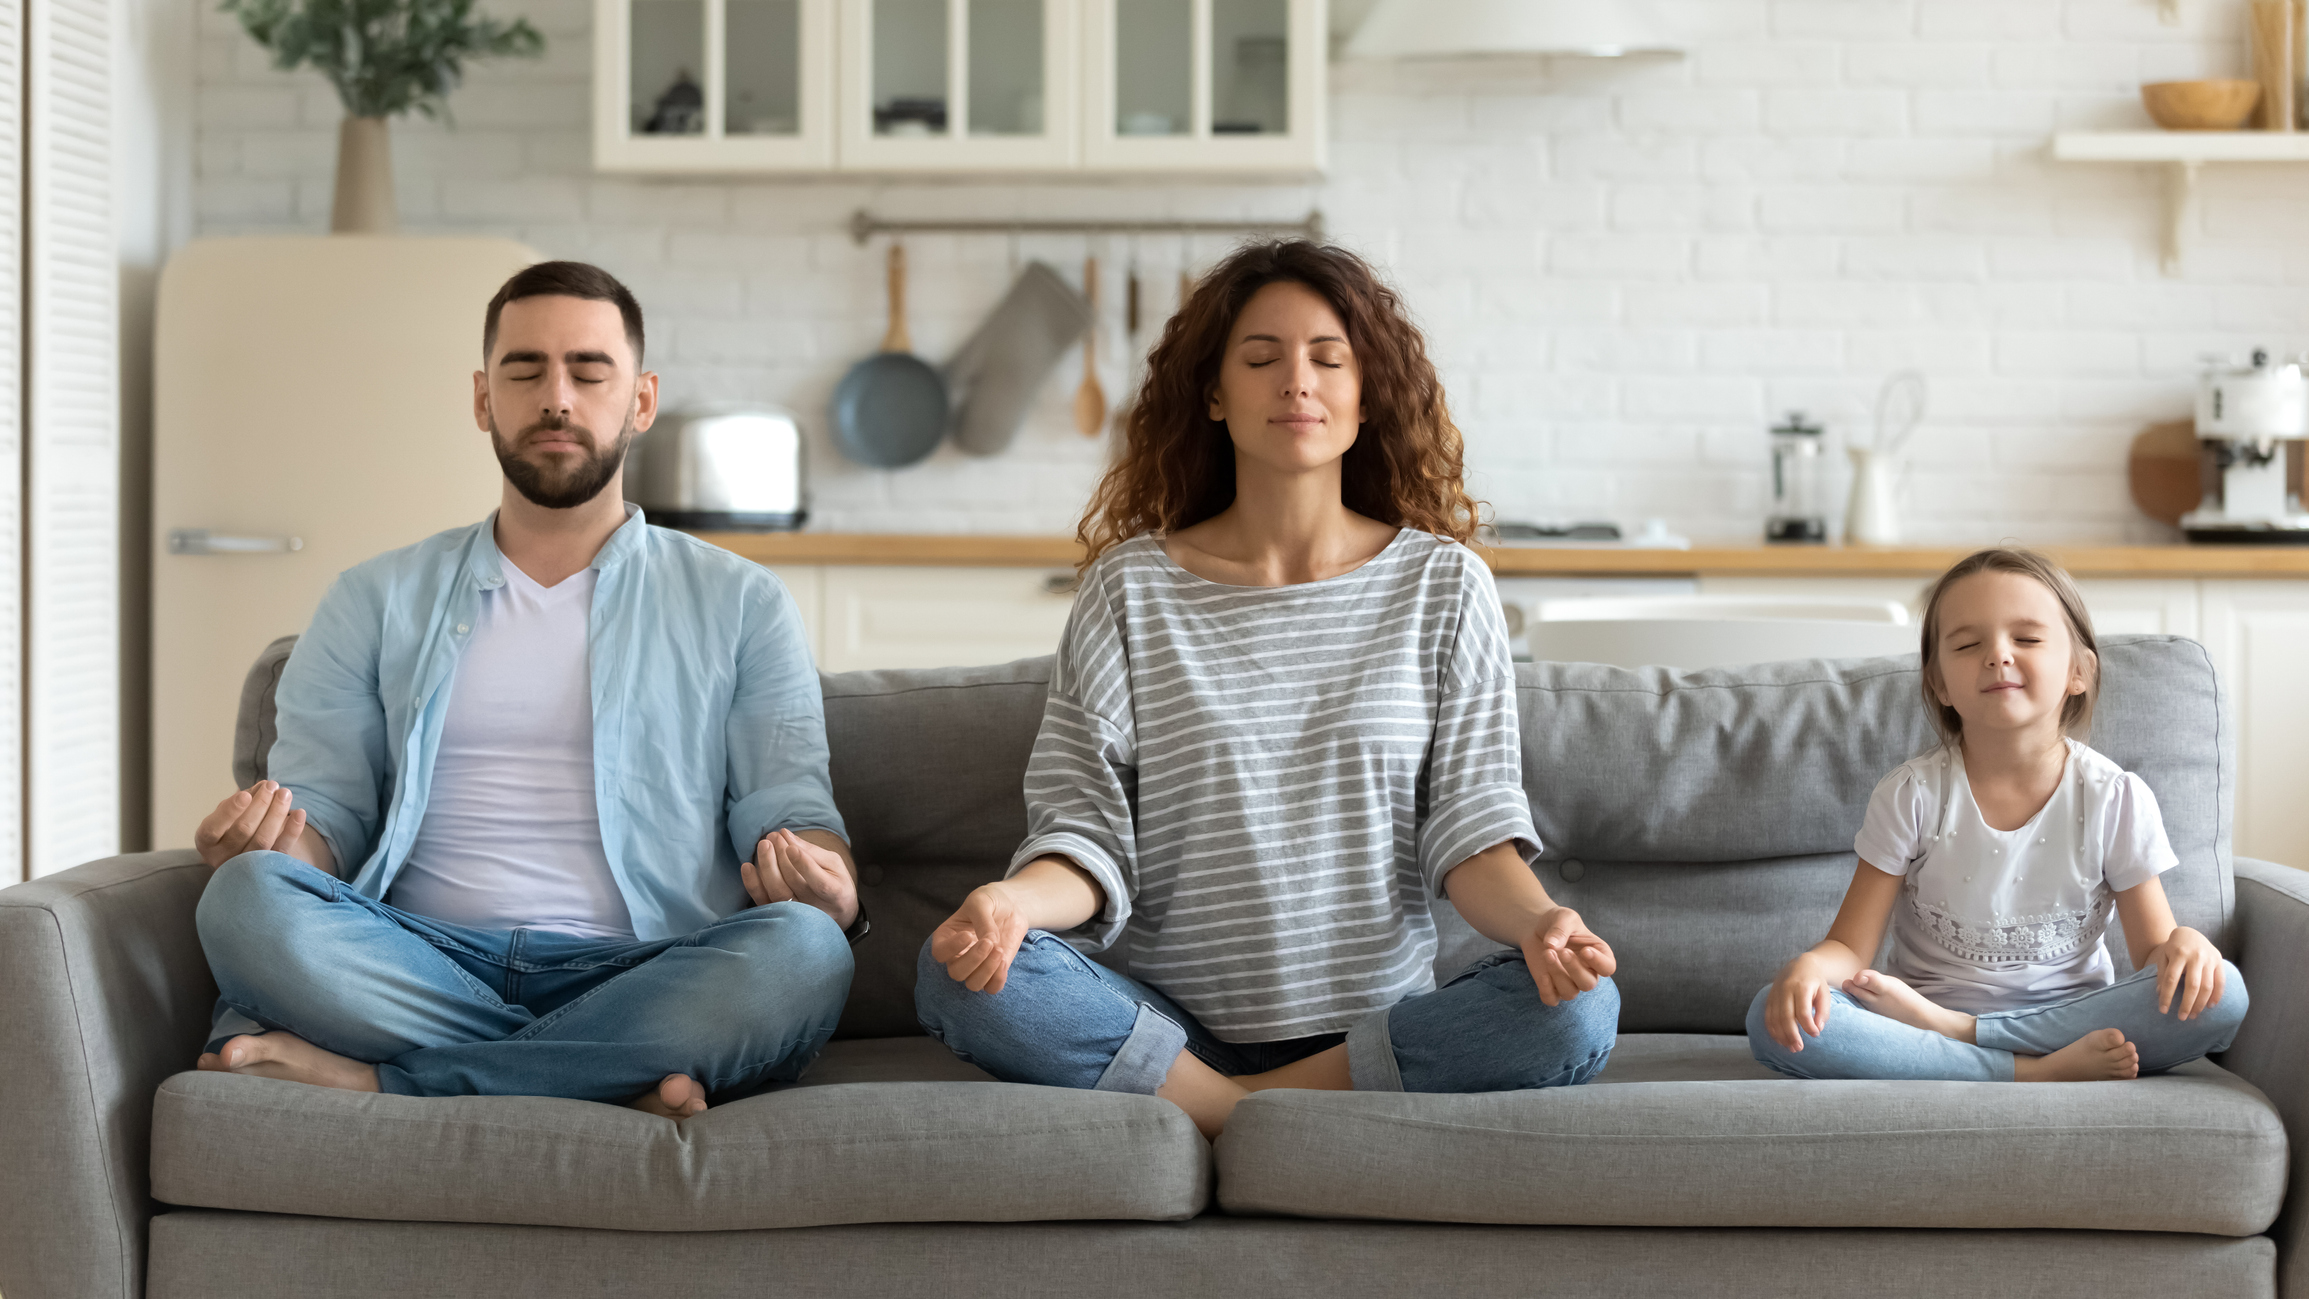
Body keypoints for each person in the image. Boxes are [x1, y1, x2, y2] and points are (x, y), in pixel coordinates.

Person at [914, 240, 1620, 1140]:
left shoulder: (1443, 585)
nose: (1297, 381)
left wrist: (1544, 922)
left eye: (1329, 359)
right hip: (1166, 1022)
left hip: (1372, 1026)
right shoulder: (1130, 587)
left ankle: (1226, 1115)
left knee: (1580, 1007)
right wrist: (1011, 904)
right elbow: (1084, 832)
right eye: (1260, 358)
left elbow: (1472, 832)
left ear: (1367, 395)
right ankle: (1265, 1112)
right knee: (956, 974)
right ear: (1213, 394)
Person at [191, 261, 864, 1119]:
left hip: (646, 964)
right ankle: (608, 1073)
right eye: (525, 370)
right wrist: (270, 847)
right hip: (420, 957)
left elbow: (789, 806)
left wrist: (831, 887)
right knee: (243, 901)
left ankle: (388, 1081)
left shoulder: (741, 601)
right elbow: (326, 819)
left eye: (589, 371)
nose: (557, 397)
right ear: (482, 399)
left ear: (641, 400)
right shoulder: (372, 598)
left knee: (805, 951)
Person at [1748, 547, 2247, 1082]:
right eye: (1967, 644)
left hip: (2050, 1022)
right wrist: (1812, 968)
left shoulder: (2115, 796)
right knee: (1768, 1016)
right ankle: (2029, 1071)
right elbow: (1849, 947)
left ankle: (1965, 1040)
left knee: (2225, 994)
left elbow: (2155, 953)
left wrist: (2186, 946)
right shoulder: (1911, 794)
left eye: (2027, 639)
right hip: (1917, 1020)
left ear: (2079, 670)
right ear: (1939, 684)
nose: (1998, 655)